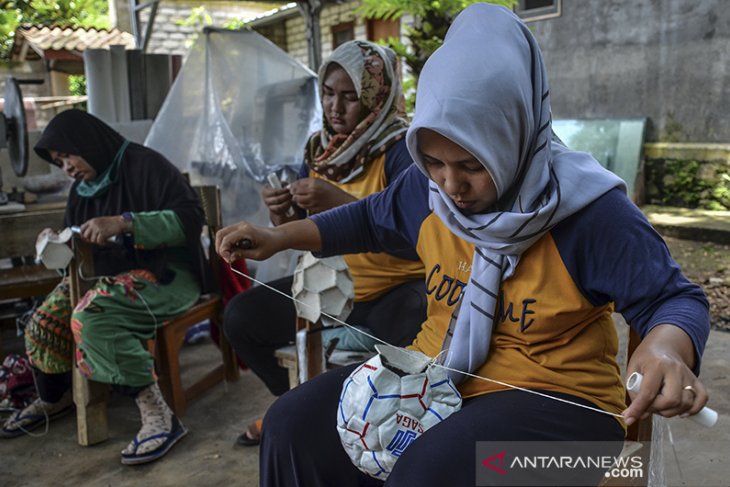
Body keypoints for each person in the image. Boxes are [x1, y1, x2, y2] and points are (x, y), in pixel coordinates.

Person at [216, 4, 711, 486]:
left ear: (516, 133)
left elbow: (673, 297)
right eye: (432, 161)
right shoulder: (426, 191)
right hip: (437, 378)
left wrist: (665, 348)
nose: (451, 186)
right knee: (292, 425)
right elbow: (368, 218)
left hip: (571, 430)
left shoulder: (588, 212)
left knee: (429, 471)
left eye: (473, 165)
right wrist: (277, 237)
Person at [222, 39, 426, 446]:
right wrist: (281, 216)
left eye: (351, 98)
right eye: (329, 94)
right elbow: (306, 231)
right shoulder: (320, 150)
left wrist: (340, 202)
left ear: (377, 98)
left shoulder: (404, 150)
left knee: (414, 329)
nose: (335, 108)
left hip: (398, 288)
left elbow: (419, 239)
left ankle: (367, 419)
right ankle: (294, 405)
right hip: (335, 285)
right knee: (241, 318)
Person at [1, 109, 208, 466]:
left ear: (89, 142)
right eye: (58, 161)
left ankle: (159, 415)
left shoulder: (146, 165)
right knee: (44, 321)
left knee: (94, 318)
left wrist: (125, 223)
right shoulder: (82, 190)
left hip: (168, 275)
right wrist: (55, 243)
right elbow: (77, 245)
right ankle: (57, 396)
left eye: (67, 155)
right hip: (106, 276)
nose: (65, 167)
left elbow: (191, 219)